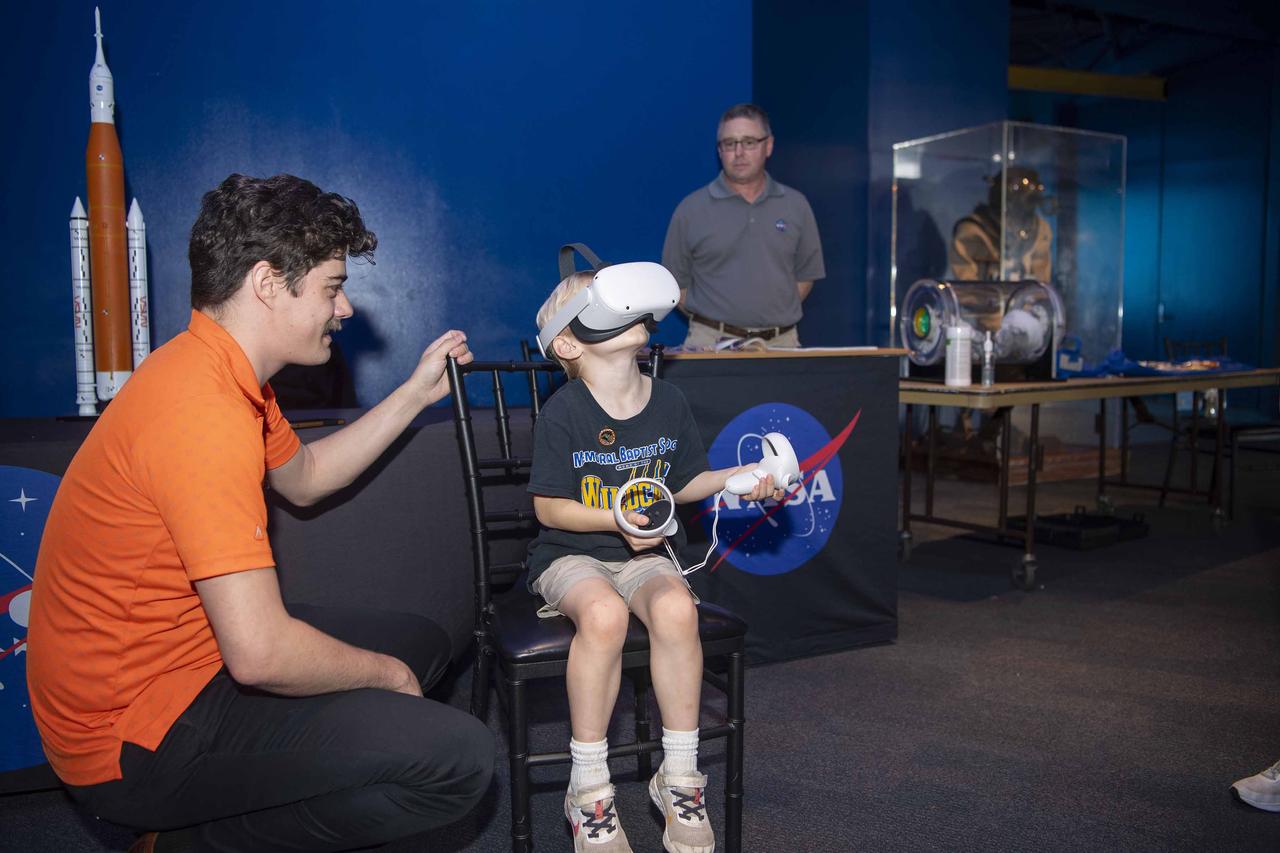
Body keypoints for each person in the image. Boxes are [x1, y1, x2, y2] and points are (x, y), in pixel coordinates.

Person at [27, 173, 494, 852]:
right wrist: (384, 677)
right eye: (333, 288)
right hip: (130, 740)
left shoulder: (222, 371)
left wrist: (416, 393)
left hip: (186, 665)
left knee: (419, 642)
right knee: (460, 758)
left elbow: (303, 478)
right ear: (268, 283)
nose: (346, 309)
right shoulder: (202, 411)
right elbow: (258, 651)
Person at [531, 270, 783, 853]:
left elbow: (688, 481)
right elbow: (549, 507)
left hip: (645, 556)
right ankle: (589, 785)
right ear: (568, 342)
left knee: (676, 610)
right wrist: (614, 518)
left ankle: (678, 775)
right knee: (603, 617)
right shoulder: (564, 409)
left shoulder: (668, 399)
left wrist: (740, 479)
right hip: (573, 555)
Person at [662, 103, 825, 350]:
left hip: (782, 344)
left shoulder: (796, 205)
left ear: (768, 145)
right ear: (719, 151)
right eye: (729, 143)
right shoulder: (690, 209)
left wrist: (769, 316)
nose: (739, 152)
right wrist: (716, 322)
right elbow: (675, 284)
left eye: (749, 142)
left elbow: (805, 277)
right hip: (710, 344)